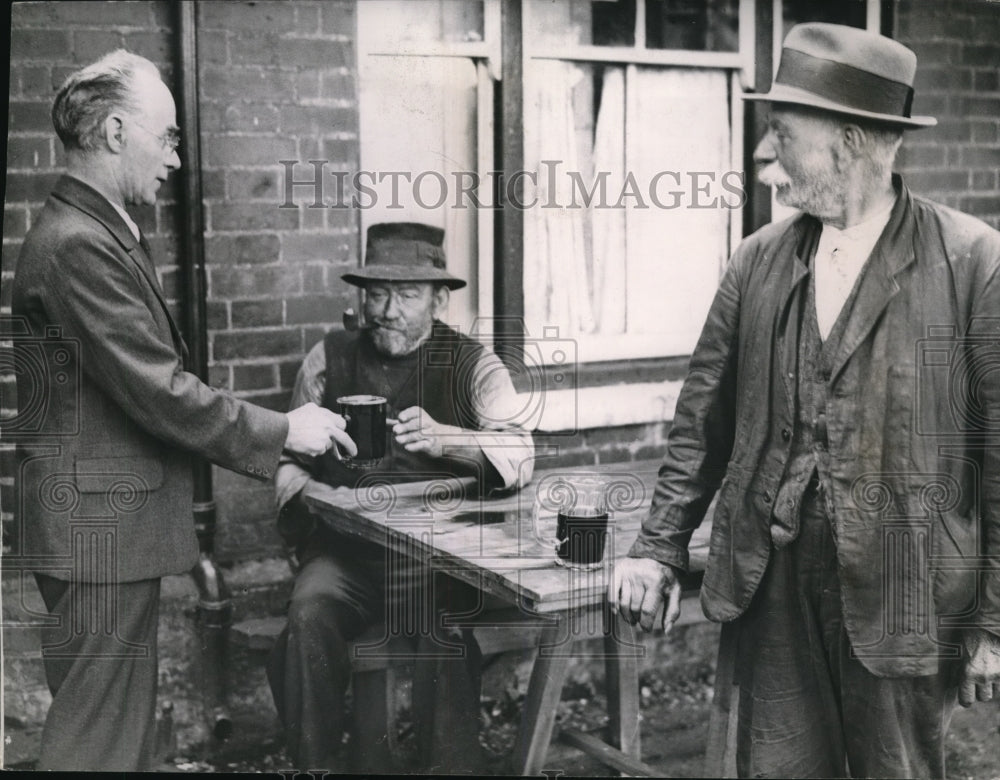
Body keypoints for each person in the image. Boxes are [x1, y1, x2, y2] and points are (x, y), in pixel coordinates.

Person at [610, 23, 1000, 779]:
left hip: (908, 593)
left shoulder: (972, 262)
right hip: (771, 583)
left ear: (849, 141)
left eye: (783, 135)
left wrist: (995, 623)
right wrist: (659, 547)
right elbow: (702, 422)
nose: (771, 161)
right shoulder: (758, 260)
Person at [11, 50, 354, 772]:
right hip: (96, 532)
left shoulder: (92, 232)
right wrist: (288, 428)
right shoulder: (78, 245)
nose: (175, 157)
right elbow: (158, 390)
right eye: (166, 136)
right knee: (97, 745)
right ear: (112, 131)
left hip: (96, 526)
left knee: (111, 731)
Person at [268, 221, 534, 773]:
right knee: (307, 613)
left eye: (407, 295)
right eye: (377, 294)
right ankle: (313, 765)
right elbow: (286, 461)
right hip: (348, 557)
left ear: (438, 300)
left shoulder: (473, 365)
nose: (388, 309)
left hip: (439, 560)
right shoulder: (329, 358)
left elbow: (520, 455)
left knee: (444, 633)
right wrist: (316, 497)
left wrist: (449, 439)